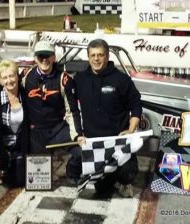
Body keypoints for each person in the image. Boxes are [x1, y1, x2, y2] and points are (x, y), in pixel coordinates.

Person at [74, 39, 143, 197]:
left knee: (127, 172)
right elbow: (68, 104)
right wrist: (78, 133)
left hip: (118, 141)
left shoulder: (122, 79)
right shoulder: (79, 79)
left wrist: (130, 130)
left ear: (107, 56)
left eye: (100, 55)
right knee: (102, 189)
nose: (96, 59)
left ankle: (125, 182)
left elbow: (136, 105)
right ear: (88, 56)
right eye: (93, 55)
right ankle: (107, 178)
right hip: (93, 143)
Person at [23, 40, 83, 183]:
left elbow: (72, 111)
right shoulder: (26, 76)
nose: (44, 59)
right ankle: (54, 165)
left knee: (81, 152)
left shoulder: (64, 79)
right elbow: (10, 92)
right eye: (40, 56)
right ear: (35, 58)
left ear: (54, 57)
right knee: (38, 183)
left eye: (48, 55)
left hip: (57, 128)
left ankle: (70, 171)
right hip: (35, 131)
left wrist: (77, 136)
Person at [0, 59, 29, 187]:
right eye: (5, 77)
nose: (9, 80)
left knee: (19, 182)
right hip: (1, 147)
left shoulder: (25, 95)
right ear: (0, 80)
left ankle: (12, 168)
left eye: (11, 75)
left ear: (17, 76)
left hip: (19, 147)